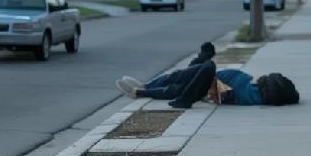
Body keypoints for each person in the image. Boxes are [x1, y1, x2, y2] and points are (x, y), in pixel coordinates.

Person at [117, 61, 299, 109]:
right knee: (181, 81)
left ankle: (145, 88)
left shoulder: (245, 84)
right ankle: (143, 89)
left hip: (214, 87)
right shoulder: (254, 96)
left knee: (182, 75)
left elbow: (218, 81)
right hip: (214, 90)